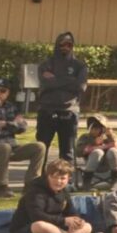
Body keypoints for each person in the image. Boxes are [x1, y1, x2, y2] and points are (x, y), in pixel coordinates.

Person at [13, 158, 108, 233]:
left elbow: (71, 212)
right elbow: (37, 216)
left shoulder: (64, 191)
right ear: (47, 176)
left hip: (57, 227)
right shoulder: (35, 191)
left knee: (87, 226)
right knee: (40, 225)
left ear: (68, 179)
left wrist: (77, 221)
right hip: (29, 230)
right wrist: (64, 221)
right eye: (54, 177)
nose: (58, 181)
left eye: (62, 178)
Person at [35, 30, 91, 161]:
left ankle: (67, 180)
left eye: (69, 45)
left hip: (69, 112)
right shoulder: (46, 64)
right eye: (62, 44)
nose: (65, 47)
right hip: (46, 110)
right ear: (57, 45)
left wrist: (56, 79)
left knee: (67, 151)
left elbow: (80, 86)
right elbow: (45, 84)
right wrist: (70, 79)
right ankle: (39, 179)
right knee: (41, 149)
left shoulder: (80, 66)